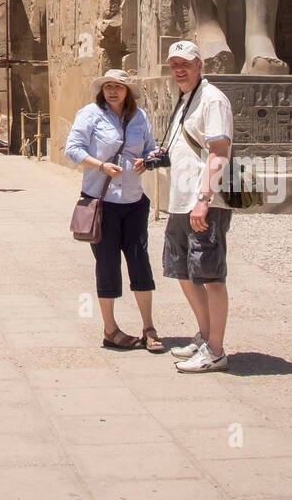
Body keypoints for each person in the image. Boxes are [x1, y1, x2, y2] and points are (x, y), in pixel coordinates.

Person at [65, 70, 165, 351]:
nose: (112, 91)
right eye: (108, 86)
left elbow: (150, 148)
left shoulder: (139, 117)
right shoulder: (90, 114)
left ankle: (149, 327)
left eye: (118, 87)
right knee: (107, 264)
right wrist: (100, 165)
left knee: (140, 262)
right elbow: (72, 149)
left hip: (134, 201)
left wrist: (148, 159)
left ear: (127, 91)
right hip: (102, 202)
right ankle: (110, 329)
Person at [158, 40, 234, 372]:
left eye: (185, 64)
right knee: (184, 272)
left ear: (199, 65)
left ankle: (216, 350)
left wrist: (203, 200)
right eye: (174, 64)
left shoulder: (213, 99)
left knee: (210, 275)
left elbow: (219, 151)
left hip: (204, 202)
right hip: (181, 201)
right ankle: (204, 336)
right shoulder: (186, 100)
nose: (179, 70)